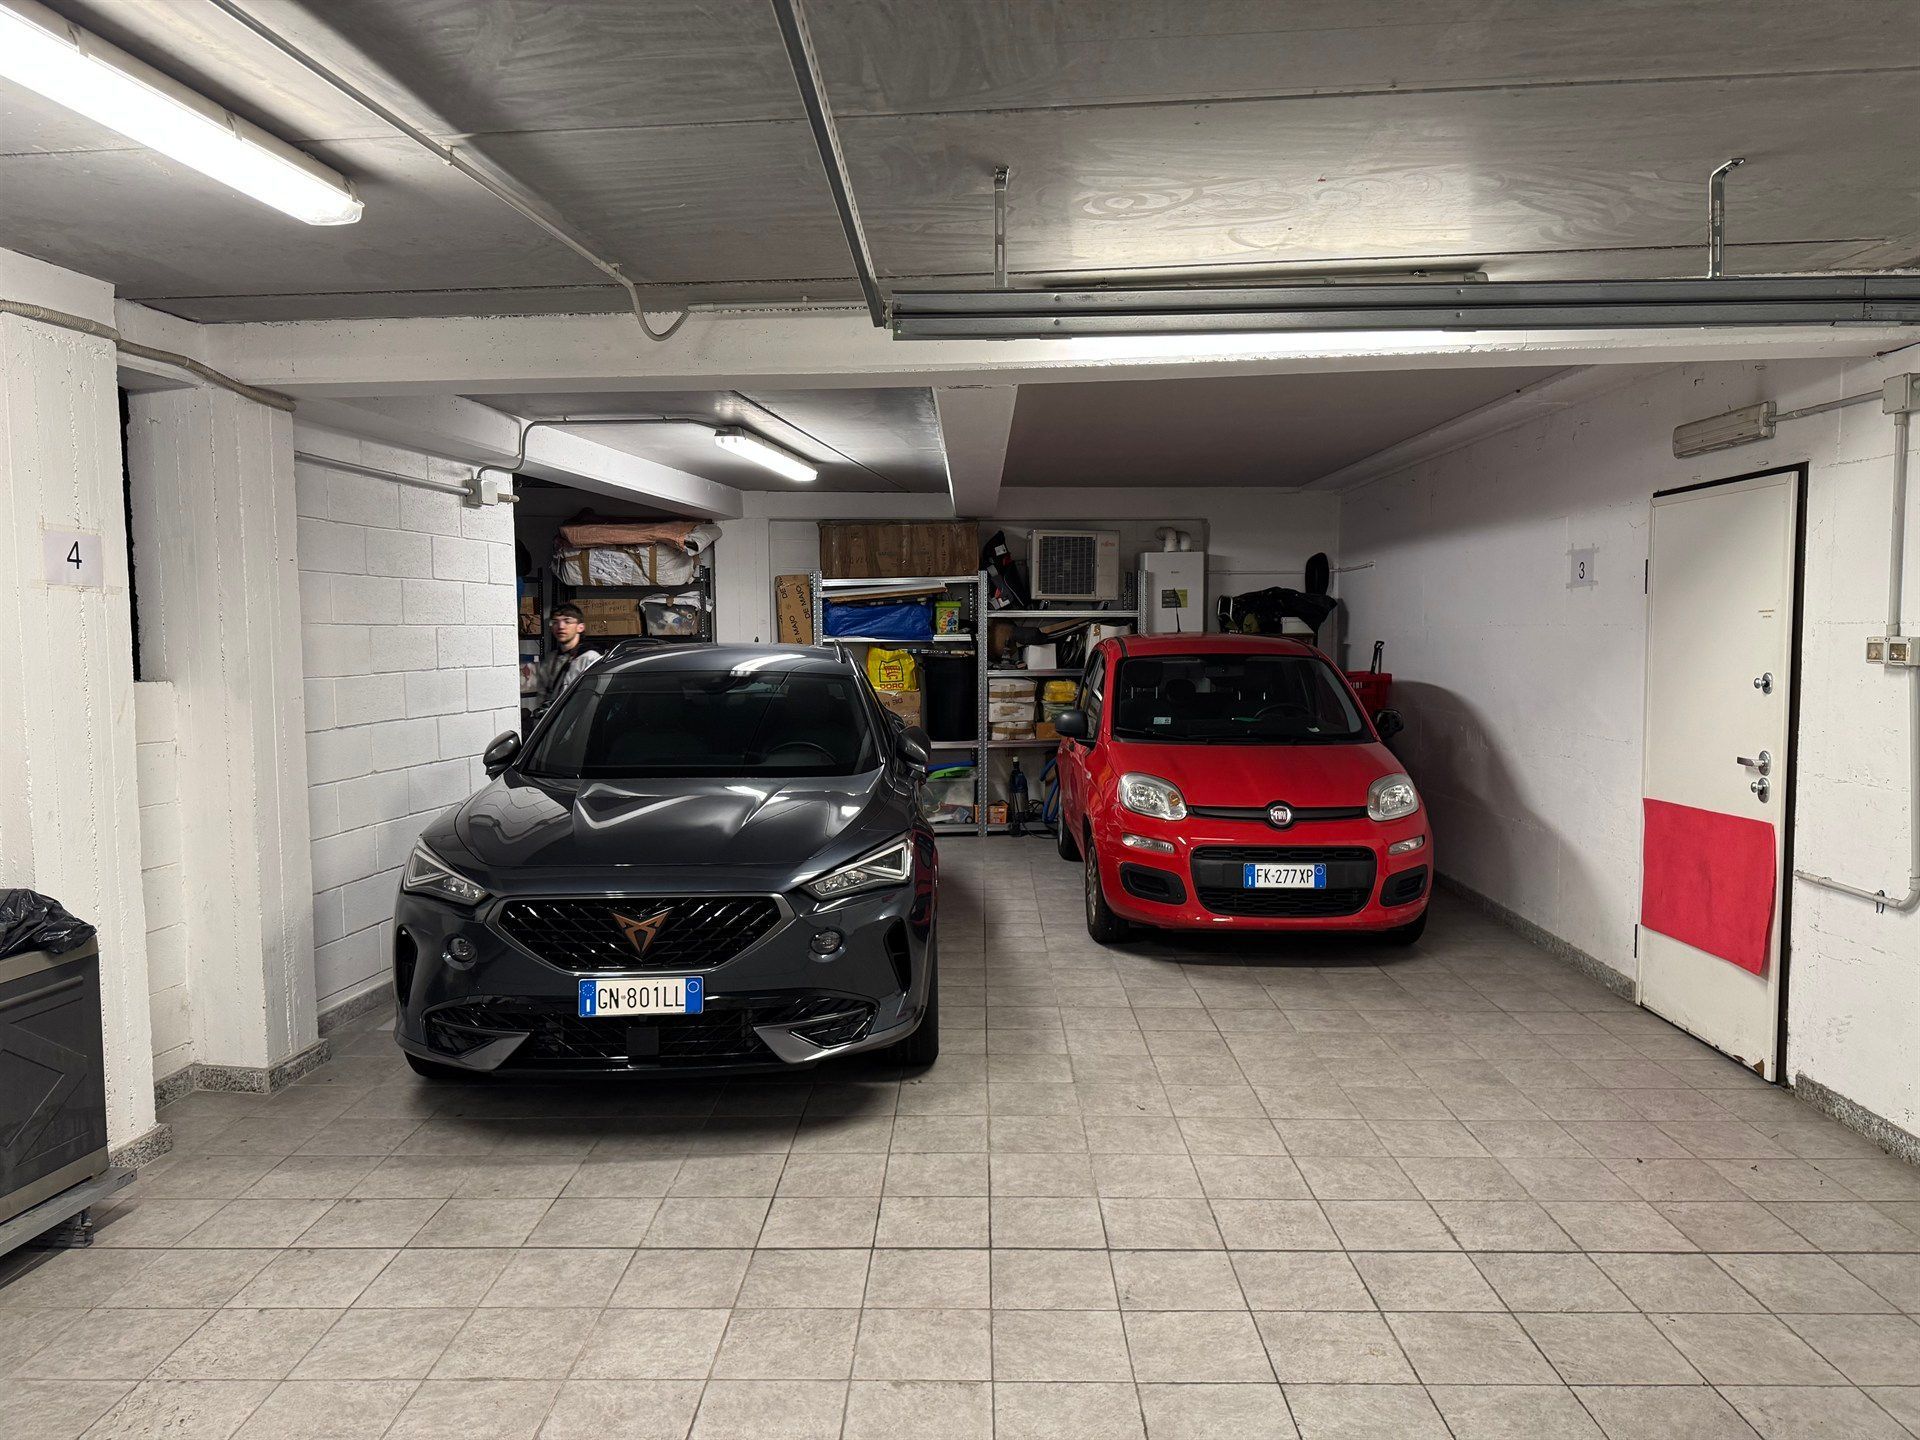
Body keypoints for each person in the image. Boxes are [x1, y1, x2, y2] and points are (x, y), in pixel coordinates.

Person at [533, 603, 603, 711]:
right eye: (555, 622)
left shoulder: (590, 659)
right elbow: (542, 695)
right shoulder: (550, 660)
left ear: (580, 627)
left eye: (567, 621)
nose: (561, 626)